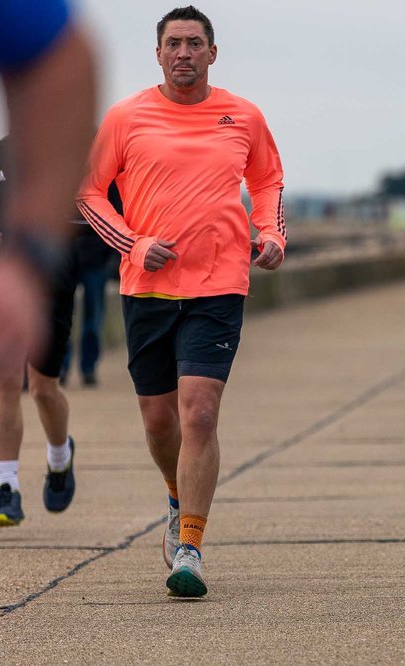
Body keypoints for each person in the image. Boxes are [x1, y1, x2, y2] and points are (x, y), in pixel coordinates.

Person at [77, 5, 286, 598]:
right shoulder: (126, 116)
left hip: (219, 285)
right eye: (175, 43)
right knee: (160, 419)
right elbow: (90, 192)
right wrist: (135, 243)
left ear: (213, 53)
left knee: (199, 411)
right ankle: (177, 497)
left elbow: (268, 180)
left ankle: (190, 546)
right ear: (159, 53)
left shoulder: (242, 115)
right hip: (147, 289)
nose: (185, 53)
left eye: (196, 43)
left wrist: (271, 234)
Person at [0, 1, 97, 526]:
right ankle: (5, 487)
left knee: (42, 387)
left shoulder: (54, 155)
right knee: (3, 380)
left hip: (51, 279)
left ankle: (60, 456)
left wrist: (33, 250)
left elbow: (70, 54)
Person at [61, 185, 122, 387]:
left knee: (93, 316)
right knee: (62, 315)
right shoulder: (61, 170)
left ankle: (89, 368)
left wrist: (113, 256)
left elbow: (117, 212)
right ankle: (61, 367)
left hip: (96, 259)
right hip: (64, 256)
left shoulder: (103, 170)